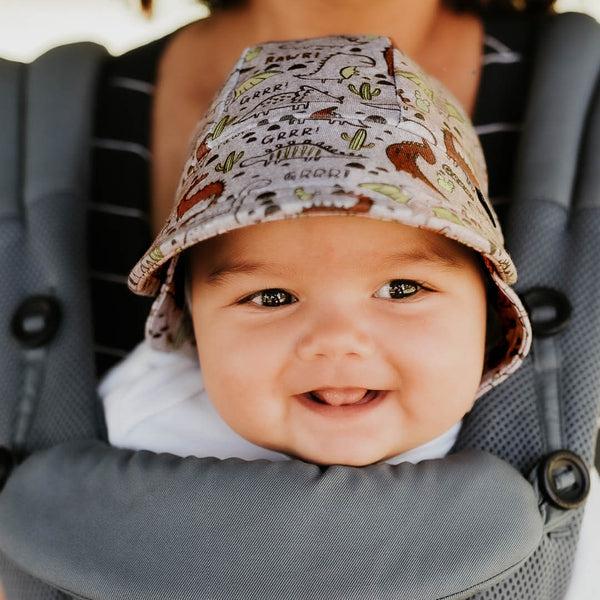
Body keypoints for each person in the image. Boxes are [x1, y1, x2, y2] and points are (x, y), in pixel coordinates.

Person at [96, 36, 599, 598]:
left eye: (402, 288)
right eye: (270, 298)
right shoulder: (137, 425)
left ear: (489, 312)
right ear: (190, 319)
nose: (335, 342)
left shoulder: (536, 454)